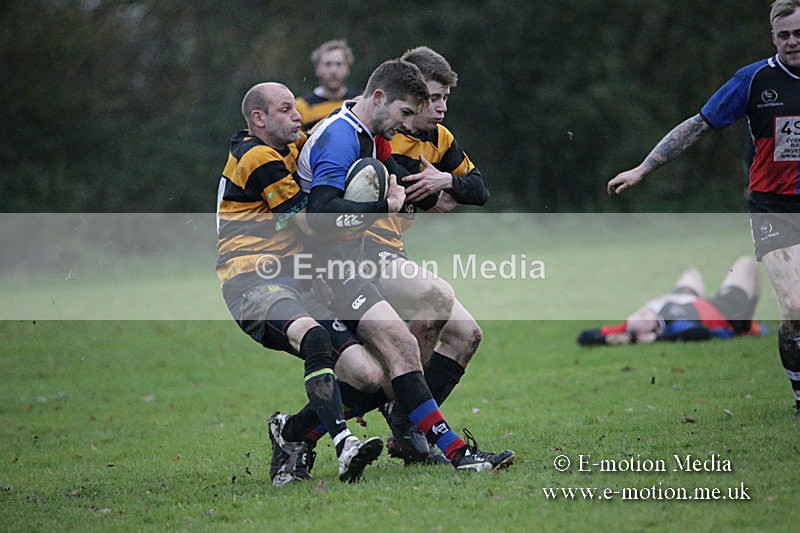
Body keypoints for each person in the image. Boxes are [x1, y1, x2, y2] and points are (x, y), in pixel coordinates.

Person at [290, 58, 515, 472]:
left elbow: (455, 190)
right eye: (410, 110)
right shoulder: (341, 136)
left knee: (458, 338)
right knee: (413, 332)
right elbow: (322, 214)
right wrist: (387, 206)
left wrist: (441, 187)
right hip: (329, 268)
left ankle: (296, 431)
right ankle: (454, 451)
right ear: (381, 97)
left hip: (354, 260)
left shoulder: (377, 137)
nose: (414, 120)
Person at [607, 0, 800, 417]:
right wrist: (644, 167)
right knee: (795, 308)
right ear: (772, 37)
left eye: (798, 33)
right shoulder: (754, 81)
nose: (792, 42)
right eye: (783, 34)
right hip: (775, 208)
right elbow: (698, 125)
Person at [215, 82, 384, 485]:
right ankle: (344, 443)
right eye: (286, 109)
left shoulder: (292, 146)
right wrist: (377, 207)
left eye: (296, 108)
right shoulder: (256, 155)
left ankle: (290, 433)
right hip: (251, 279)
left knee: (367, 376)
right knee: (314, 337)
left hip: (299, 278)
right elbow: (310, 222)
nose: (297, 116)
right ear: (259, 118)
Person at [365, 46, 492, 464]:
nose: (441, 108)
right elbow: (403, 188)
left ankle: (406, 423)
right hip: (360, 255)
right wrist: (433, 194)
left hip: (394, 250)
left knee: (467, 335)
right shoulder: (378, 132)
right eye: (433, 98)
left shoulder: (440, 139)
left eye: (445, 98)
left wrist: (446, 182)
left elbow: (479, 191)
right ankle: (306, 429)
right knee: (429, 307)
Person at [577, 257, 765, 346]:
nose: (641, 313)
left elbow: (585, 335)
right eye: (643, 317)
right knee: (746, 264)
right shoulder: (676, 326)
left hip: (685, 298)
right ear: (654, 330)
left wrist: (606, 339)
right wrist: (656, 340)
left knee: (692, 273)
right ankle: (747, 325)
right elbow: (699, 334)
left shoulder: (630, 326)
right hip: (721, 309)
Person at [295, 39, 361, 131]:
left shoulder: (358, 102)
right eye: (327, 64)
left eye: (338, 64)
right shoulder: (301, 106)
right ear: (317, 69)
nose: (333, 71)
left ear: (348, 68)